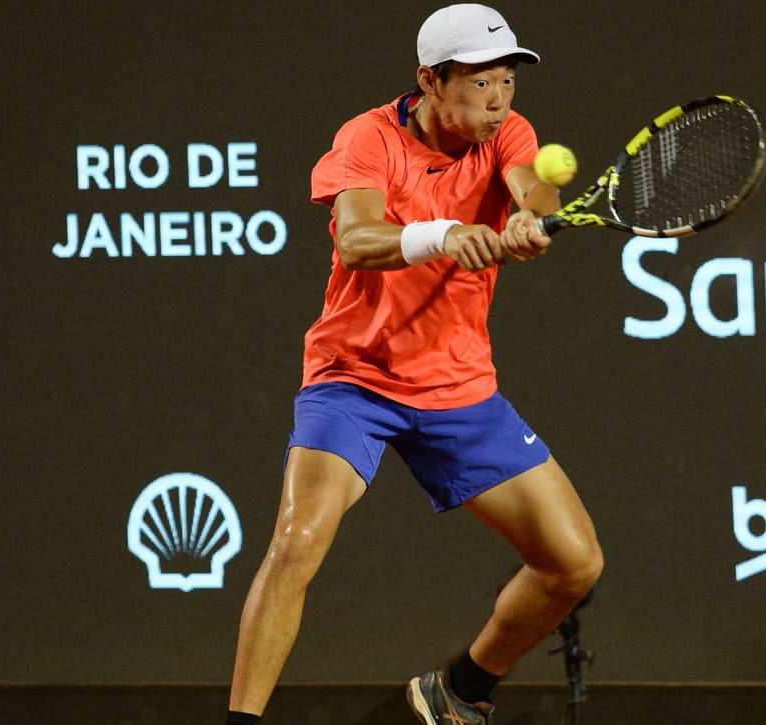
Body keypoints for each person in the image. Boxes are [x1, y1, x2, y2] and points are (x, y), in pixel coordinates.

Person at [225, 5, 603, 724]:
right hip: (354, 378)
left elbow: (534, 187)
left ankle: (460, 689)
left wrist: (529, 216)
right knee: (297, 541)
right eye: (480, 83)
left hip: (458, 386)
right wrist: (445, 234)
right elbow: (358, 238)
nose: (498, 100)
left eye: (507, 81)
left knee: (574, 562)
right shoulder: (368, 137)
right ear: (430, 80)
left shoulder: (508, 134)